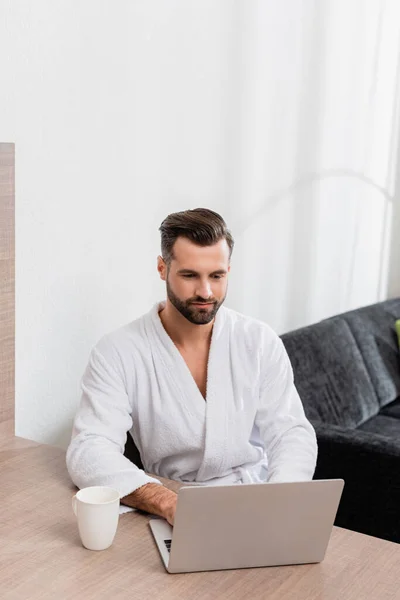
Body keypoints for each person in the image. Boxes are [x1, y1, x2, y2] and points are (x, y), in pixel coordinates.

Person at [66, 208, 317, 526]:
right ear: (162, 268)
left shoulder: (259, 340)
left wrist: (280, 500)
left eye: (217, 276)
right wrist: (168, 502)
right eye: (190, 275)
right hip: (175, 503)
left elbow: (290, 432)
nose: (205, 292)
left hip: (259, 499)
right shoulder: (117, 351)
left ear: (228, 269)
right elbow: (89, 448)